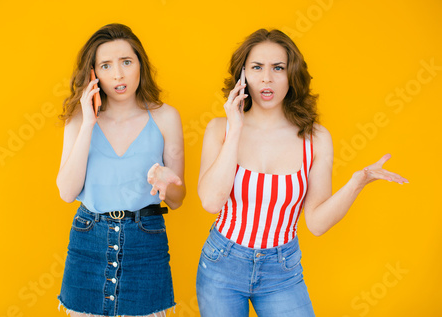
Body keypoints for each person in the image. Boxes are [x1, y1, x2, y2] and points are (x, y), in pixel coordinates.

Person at [195, 28, 408, 317]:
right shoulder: (219, 129)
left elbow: (317, 224)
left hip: (281, 269)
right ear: (242, 75)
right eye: (257, 67)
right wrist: (235, 129)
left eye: (278, 68)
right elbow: (210, 202)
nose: (267, 78)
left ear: (291, 75)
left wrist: (359, 181)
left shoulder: (315, 139)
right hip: (222, 264)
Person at [56, 23, 186, 317]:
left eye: (126, 62)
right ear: (93, 74)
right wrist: (89, 122)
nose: (118, 74)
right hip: (88, 240)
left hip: (146, 243)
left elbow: (177, 199)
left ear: (141, 64)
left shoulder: (166, 117)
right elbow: (66, 192)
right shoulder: (78, 120)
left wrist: (169, 183)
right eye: (106, 65)